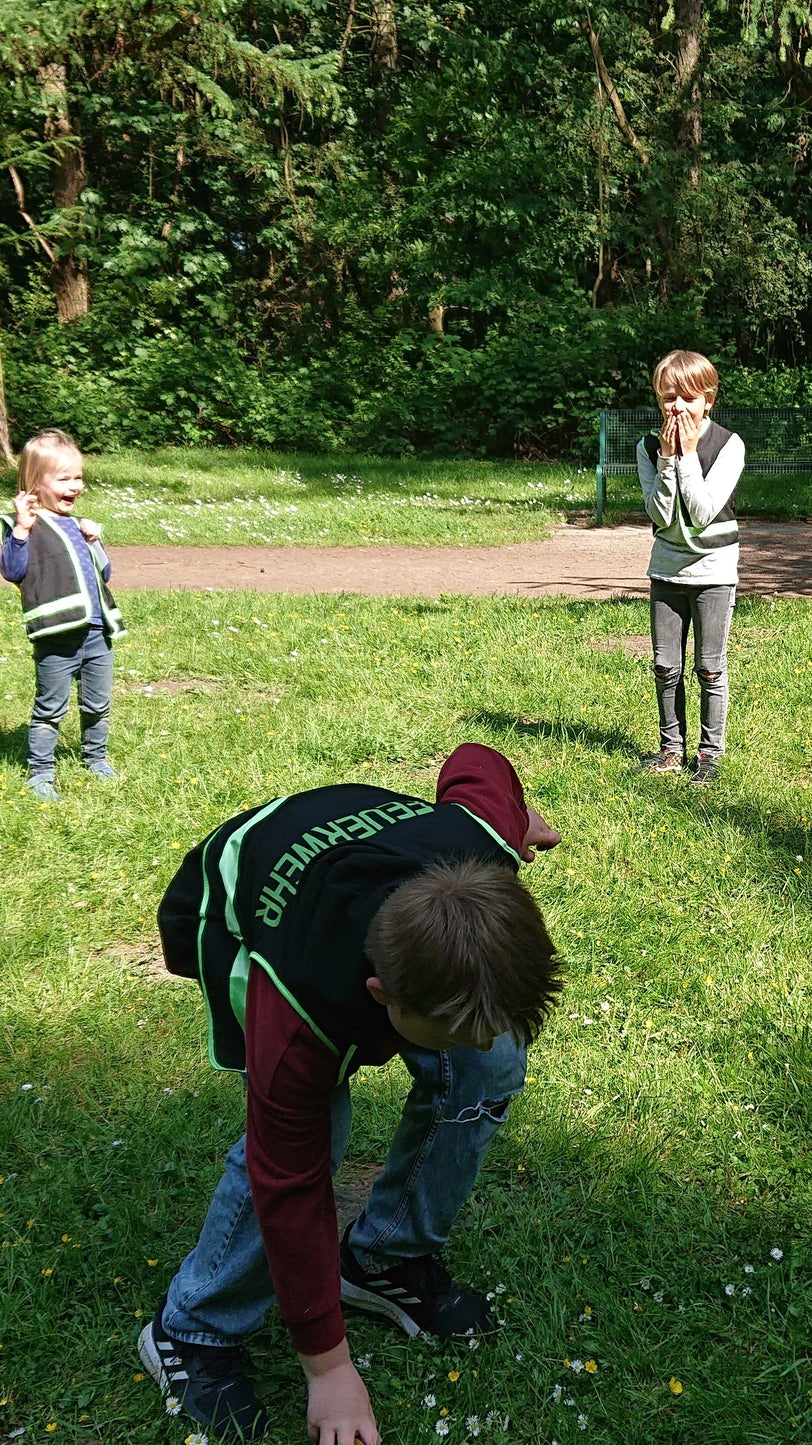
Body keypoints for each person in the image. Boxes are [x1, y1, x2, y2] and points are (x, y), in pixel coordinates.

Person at [140, 744, 563, 1444]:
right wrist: (326, 1367)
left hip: (362, 856)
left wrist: (513, 817)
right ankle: (191, 1329)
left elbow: (476, 759)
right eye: (448, 1030)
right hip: (230, 909)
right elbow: (291, 1184)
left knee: (488, 1065)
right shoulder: (298, 1013)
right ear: (380, 996)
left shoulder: (480, 841)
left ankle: (381, 1258)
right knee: (309, 1136)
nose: (468, 1039)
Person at [635, 349, 746, 785]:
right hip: (667, 572)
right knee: (665, 666)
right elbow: (660, 515)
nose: (677, 407)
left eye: (687, 398)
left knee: (710, 668)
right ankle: (670, 749)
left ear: (708, 400)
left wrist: (686, 456)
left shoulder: (727, 445)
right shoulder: (648, 447)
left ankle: (710, 753)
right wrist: (666, 458)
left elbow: (701, 512)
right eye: (668, 398)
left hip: (714, 573)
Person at [1, 428, 124, 801]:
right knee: (50, 708)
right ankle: (41, 773)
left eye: (79, 477)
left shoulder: (78, 525)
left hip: (96, 633)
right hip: (56, 634)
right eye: (65, 478)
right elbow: (12, 570)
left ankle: (96, 759)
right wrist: (21, 528)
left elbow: (103, 575)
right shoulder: (23, 526)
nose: (76, 485)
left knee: (98, 703)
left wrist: (95, 541)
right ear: (35, 483)